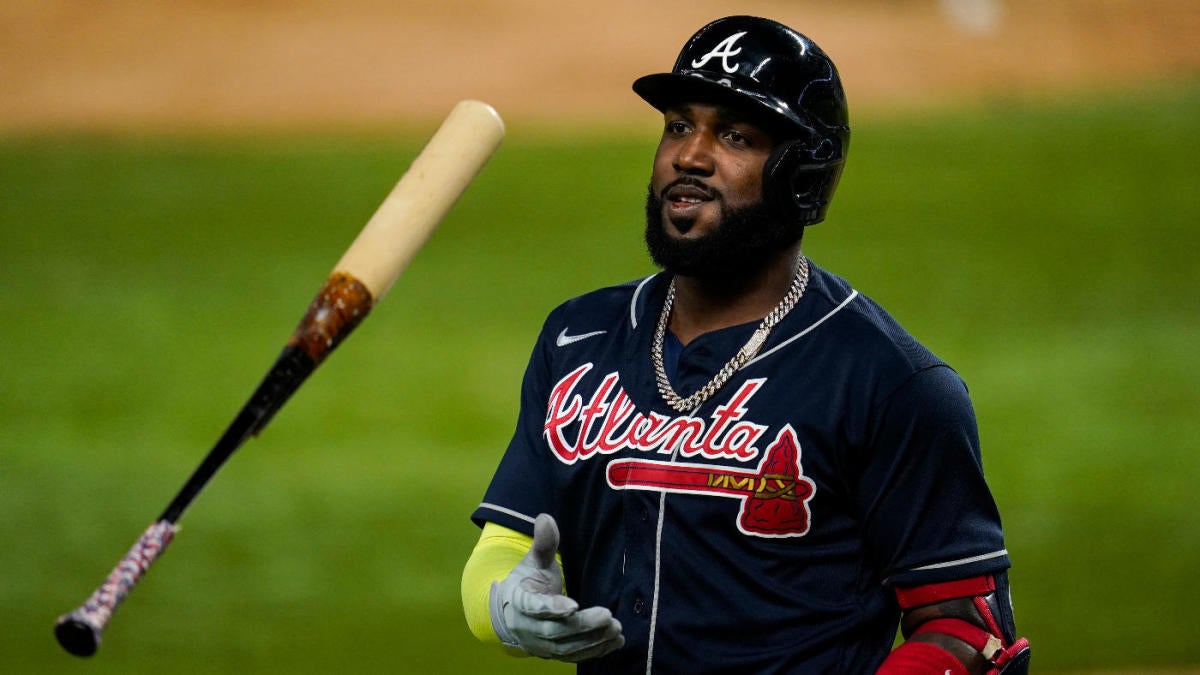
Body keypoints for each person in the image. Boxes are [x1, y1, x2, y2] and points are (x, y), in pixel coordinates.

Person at [461, 15, 1030, 674]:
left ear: (802, 175)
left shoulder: (889, 381)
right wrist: (504, 599)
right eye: (678, 125)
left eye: (734, 135)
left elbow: (970, 629)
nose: (689, 156)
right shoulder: (579, 337)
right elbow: (508, 540)